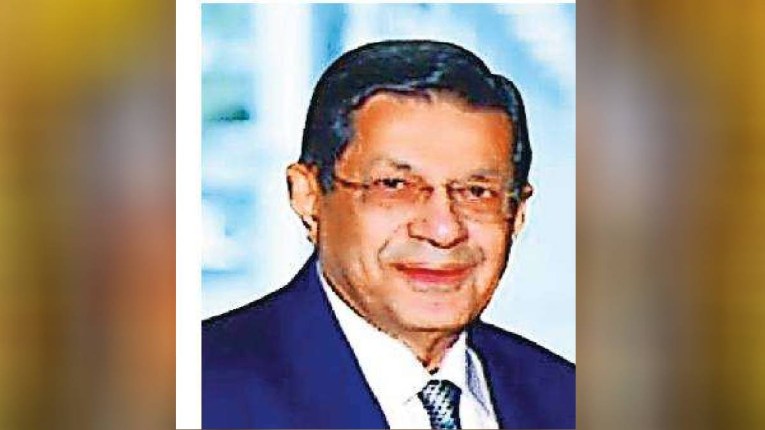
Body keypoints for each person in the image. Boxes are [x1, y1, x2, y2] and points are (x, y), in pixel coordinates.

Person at [203, 40, 574, 429]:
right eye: (395, 186)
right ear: (308, 196)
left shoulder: (567, 400)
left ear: (517, 212)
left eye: (477, 192)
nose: (444, 230)